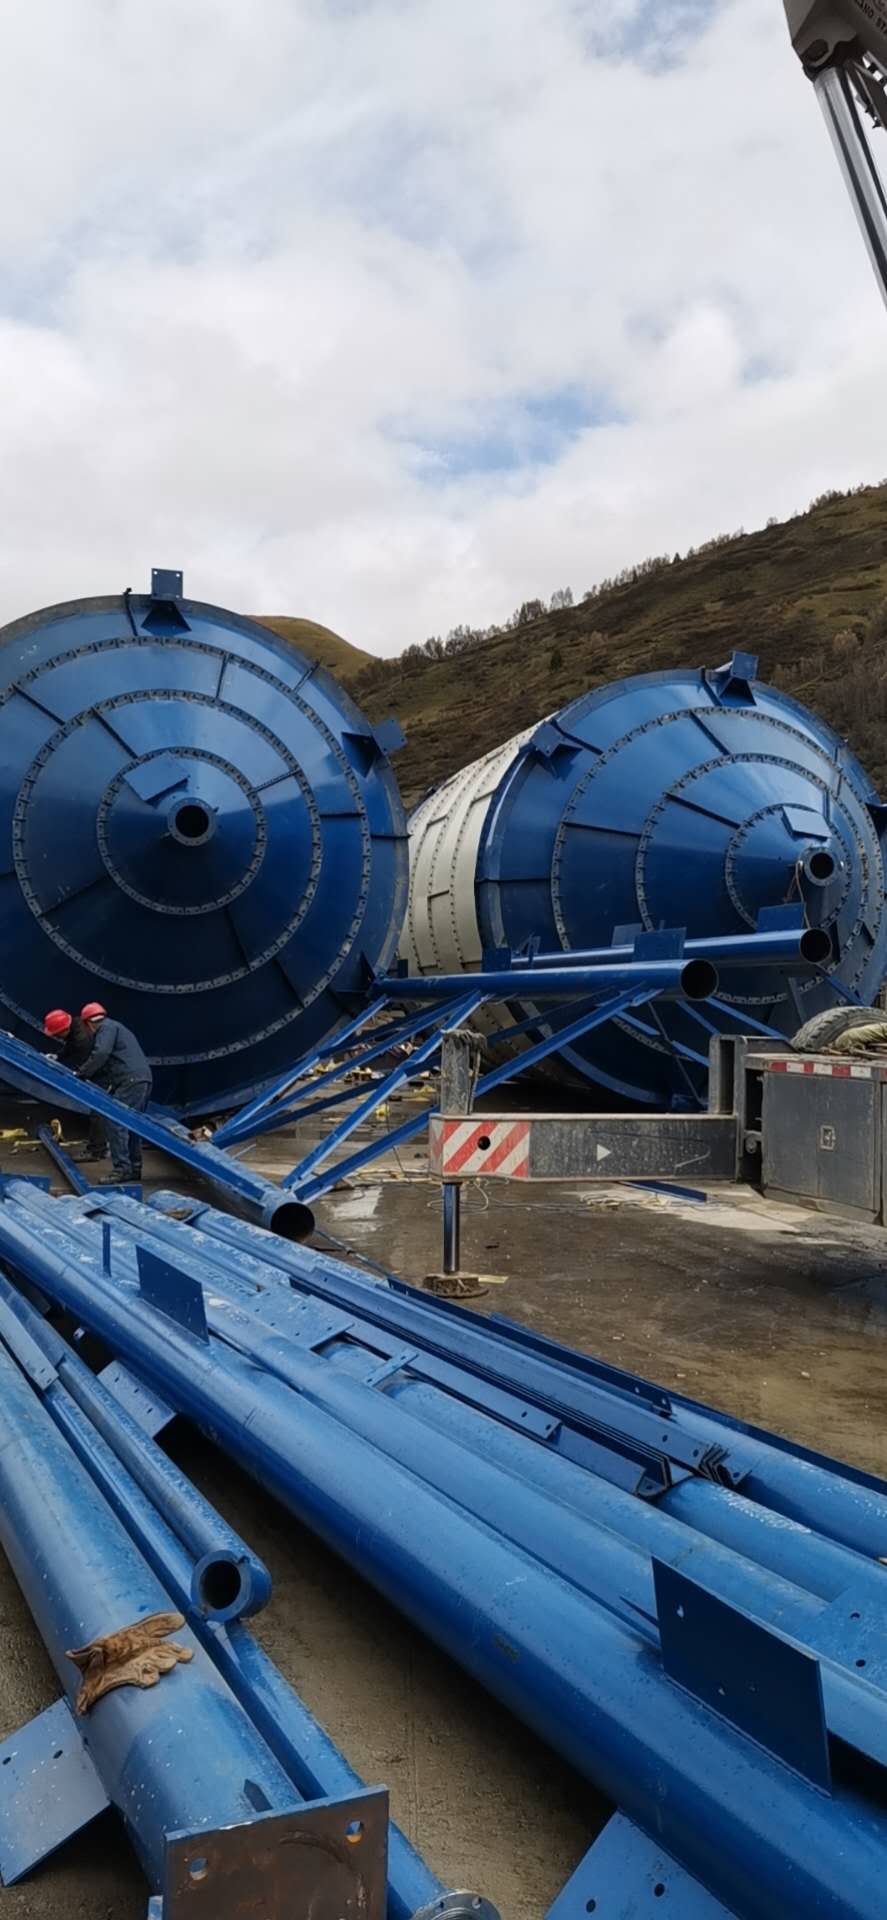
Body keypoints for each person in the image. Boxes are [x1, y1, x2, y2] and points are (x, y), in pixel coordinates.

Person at [76, 1002, 153, 1185]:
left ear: (88, 1023)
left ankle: (121, 1169)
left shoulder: (106, 1028)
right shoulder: (118, 1027)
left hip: (130, 1080)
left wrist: (82, 1073)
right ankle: (134, 1168)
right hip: (142, 1079)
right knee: (132, 1125)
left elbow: (101, 1053)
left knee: (115, 1122)